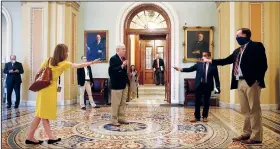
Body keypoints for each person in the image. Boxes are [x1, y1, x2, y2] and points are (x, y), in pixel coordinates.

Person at [25, 44, 101, 145]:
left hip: (42, 90)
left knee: (41, 114)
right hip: (50, 91)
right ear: (63, 53)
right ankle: (43, 137)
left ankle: (32, 137)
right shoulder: (64, 64)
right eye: (67, 51)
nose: (68, 53)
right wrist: (92, 62)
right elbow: (79, 65)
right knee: (43, 115)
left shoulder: (48, 60)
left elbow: (38, 73)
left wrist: (38, 84)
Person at [202, 28, 267, 145]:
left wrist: (258, 80)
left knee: (254, 109)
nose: (237, 38)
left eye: (238, 35)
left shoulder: (256, 46)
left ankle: (256, 136)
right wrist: (210, 61)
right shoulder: (237, 50)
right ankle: (247, 133)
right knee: (245, 110)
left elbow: (263, 64)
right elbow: (226, 60)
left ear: (245, 35)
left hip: (251, 82)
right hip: (239, 82)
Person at [174, 51, 220, 122]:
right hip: (199, 85)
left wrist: (218, 87)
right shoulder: (199, 64)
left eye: (205, 55)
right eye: (202, 55)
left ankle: (205, 116)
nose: (203, 57)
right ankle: (197, 117)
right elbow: (190, 69)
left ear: (209, 57)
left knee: (206, 102)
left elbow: (216, 77)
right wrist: (181, 69)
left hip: (208, 86)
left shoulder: (213, 65)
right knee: (197, 102)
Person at [108, 43, 130, 126]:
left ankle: (121, 118)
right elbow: (112, 71)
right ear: (118, 50)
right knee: (116, 103)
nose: (125, 50)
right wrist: (122, 65)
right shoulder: (113, 59)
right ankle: (114, 119)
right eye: (123, 49)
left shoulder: (123, 58)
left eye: (124, 49)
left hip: (124, 84)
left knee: (123, 103)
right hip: (117, 85)